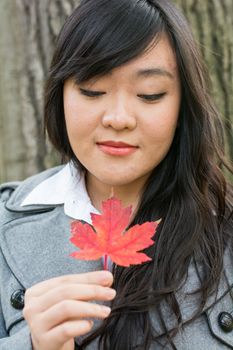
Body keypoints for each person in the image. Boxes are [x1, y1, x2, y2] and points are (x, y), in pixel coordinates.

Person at [0, 0, 232, 349]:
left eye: (149, 95)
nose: (118, 118)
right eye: (93, 90)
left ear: (183, 106)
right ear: (59, 94)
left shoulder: (224, 230)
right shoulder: (6, 228)